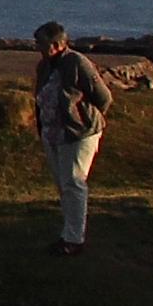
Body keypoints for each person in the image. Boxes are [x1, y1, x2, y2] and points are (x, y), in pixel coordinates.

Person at [33, 20, 112, 255]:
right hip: (53, 133)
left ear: (57, 44)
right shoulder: (44, 66)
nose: (37, 46)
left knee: (73, 182)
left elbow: (103, 97)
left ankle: (74, 239)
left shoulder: (77, 62)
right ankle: (68, 232)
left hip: (78, 133)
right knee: (63, 184)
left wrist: (83, 118)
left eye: (41, 42)